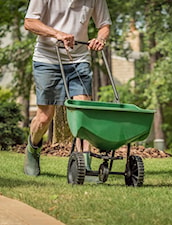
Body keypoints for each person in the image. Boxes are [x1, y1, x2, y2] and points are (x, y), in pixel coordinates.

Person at [23, 0, 111, 176]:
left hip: (79, 60)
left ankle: (84, 166)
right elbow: (30, 22)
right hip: (47, 59)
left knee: (82, 114)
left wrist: (100, 39)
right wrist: (57, 34)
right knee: (44, 117)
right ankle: (33, 149)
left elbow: (104, 25)